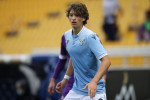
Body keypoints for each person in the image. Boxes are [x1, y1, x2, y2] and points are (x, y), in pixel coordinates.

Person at [55, 3, 111, 100]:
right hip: (76, 91)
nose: (73, 18)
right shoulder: (67, 36)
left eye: (77, 15)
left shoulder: (90, 36)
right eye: (71, 15)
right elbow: (73, 58)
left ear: (84, 18)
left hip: (94, 91)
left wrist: (94, 81)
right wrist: (65, 79)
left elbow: (106, 61)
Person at [48, 34, 74, 100]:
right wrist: (53, 79)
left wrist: (104, 75)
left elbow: (102, 60)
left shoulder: (91, 37)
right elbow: (65, 60)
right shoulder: (65, 37)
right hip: (72, 81)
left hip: (89, 82)